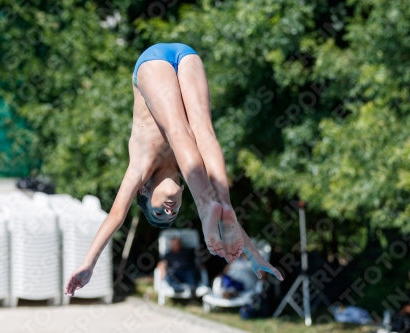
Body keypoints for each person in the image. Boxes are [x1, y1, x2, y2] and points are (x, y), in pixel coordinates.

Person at [64, 43, 283, 297]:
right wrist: (254, 256)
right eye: (173, 213)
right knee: (203, 133)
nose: (170, 210)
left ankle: (205, 208)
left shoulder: (141, 167)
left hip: (151, 64)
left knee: (178, 130)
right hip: (187, 56)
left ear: (144, 190)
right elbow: (227, 221)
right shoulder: (190, 168)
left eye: (159, 211)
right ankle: (221, 204)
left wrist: (88, 263)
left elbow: (116, 216)